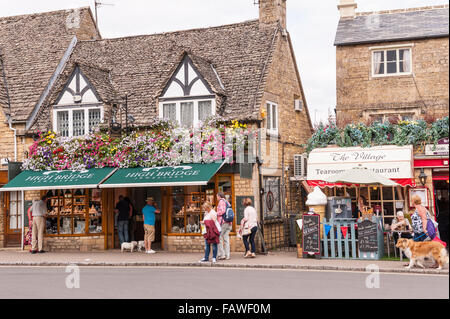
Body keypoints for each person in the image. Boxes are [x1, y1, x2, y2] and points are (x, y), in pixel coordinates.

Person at [216, 192, 232, 260]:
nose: (216, 198)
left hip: (223, 222)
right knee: (226, 239)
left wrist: (216, 213)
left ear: (219, 196)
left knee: (219, 237)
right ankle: (227, 255)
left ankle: (222, 255)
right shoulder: (227, 202)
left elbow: (222, 211)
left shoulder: (221, 201)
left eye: (217, 196)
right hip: (229, 222)